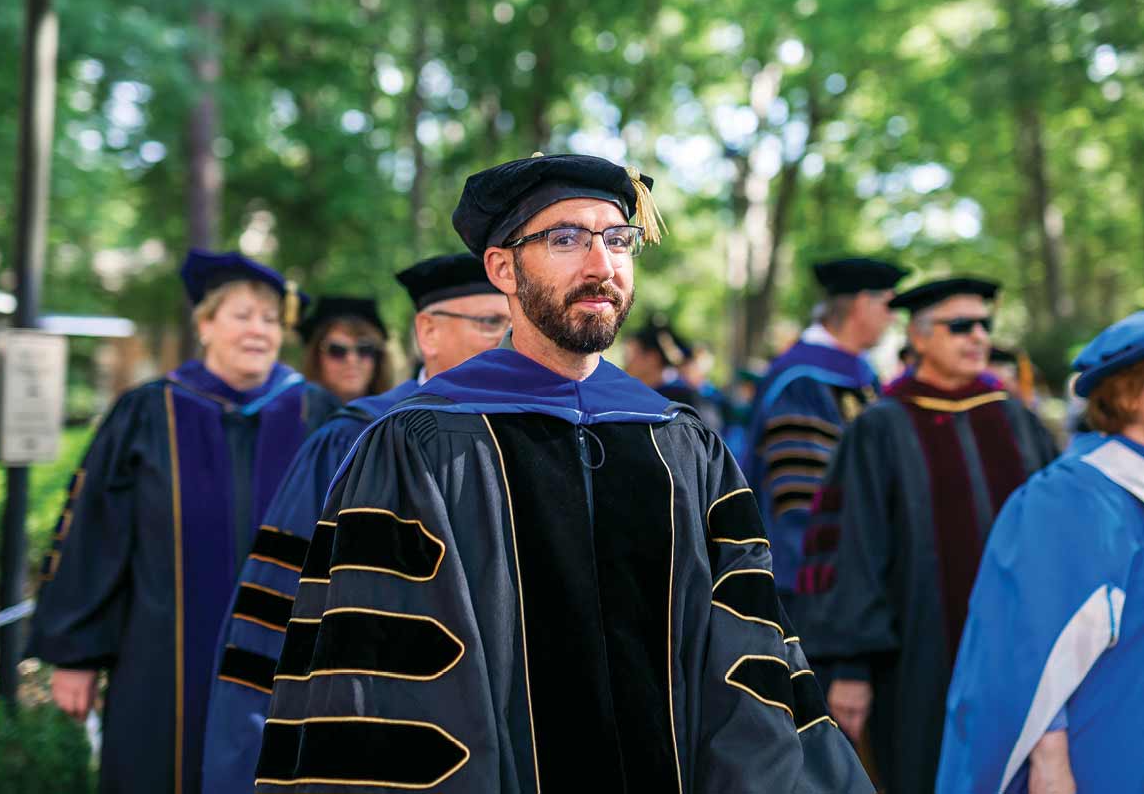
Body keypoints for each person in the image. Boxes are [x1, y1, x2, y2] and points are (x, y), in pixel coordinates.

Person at [255, 153, 871, 793]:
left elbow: (751, 665)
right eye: (567, 239)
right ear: (503, 268)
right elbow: (388, 689)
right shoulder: (421, 446)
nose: (602, 265)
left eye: (619, 240)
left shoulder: (683, 445)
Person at [28, 249, 340, 794]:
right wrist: (76, 656)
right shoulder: (149, 412)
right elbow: (95, 532)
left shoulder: (318, 415)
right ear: (205, 325)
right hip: (158, 661)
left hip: (290, 660)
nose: (258, 330)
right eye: (242, 315)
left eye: (270, 319)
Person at [201, 252, 508, 793]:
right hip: (383, 739)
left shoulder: (548, 437)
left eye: (516, 322)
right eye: (490, 323)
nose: (508, 340)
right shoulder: (361, 437)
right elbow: (278, 608)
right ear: (428, 333)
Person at [795, 277, 1057, 794]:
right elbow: (852, 550)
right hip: (914, 662)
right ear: (918, 336)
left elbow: (1054, 541)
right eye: (960, 325)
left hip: (1020, 655)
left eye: (984, 324)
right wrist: (851, 666)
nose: (978, 336)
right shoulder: (881, 427)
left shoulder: (1016, 420)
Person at [937, 311, 1144, 794]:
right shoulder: (1071, 498)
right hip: (1102, 754)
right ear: (1131, 395)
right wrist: (1049, 762)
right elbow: (1023, 650)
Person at [741, 256, 907, 613]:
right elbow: (801, 497)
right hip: (812, 581)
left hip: (857, 573)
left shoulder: (863, 376)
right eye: (888, 304)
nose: (893, 317)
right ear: (861, 304)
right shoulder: (802, 380)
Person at [298, 296, 393, 402]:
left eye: (365, 349)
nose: (352, 359)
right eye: (337, 350)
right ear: (316, 358)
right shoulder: (291, 410)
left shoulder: (397, 411)